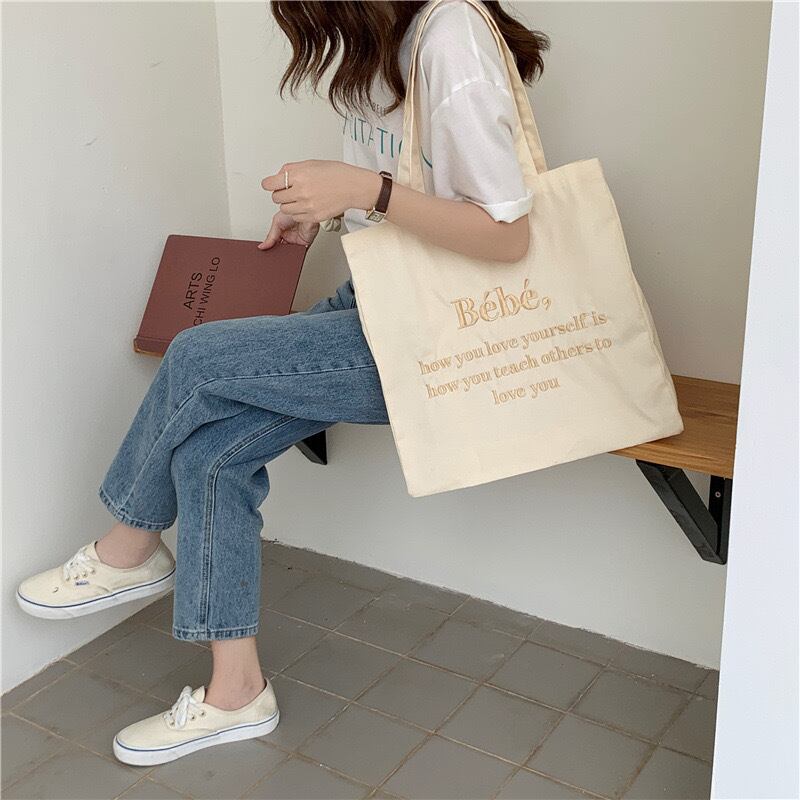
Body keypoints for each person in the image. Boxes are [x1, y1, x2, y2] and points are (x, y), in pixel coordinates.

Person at [16, 0, 549, 766]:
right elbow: (413, 188)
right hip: (382, 298)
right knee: (211, 454)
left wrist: (363, 190)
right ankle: (236, 693)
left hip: (442, 336)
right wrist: (325, 215)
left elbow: (508, 235)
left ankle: (128, 544)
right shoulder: (391, 40)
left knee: (196, 357)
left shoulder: (451, 38)